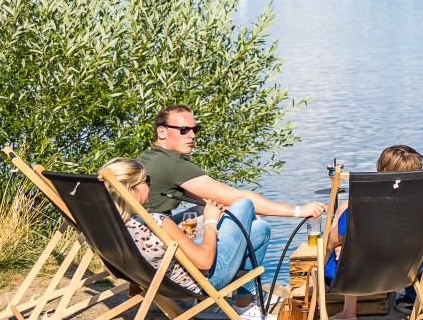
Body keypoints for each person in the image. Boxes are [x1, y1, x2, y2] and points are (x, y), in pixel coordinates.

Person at [134, 106, 323, 288]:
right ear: (162, 132)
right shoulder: (172, 163)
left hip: (146, 254)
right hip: (170, 267)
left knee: (229, 213)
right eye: (184, 130)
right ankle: (245, 300)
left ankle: (244, 299)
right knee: (249, 212)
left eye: (195, 129)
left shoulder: (149, 158)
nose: (192, 135)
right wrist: (298, 211)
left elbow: (211, 200)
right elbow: (234, 197)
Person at [101, 158, 267, 320]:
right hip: (201, 283)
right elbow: (205, 261)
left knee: (259, 229)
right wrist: (210, 221)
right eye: (147, 180)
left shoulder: (107, 226)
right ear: (131, 189)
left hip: (160, 282)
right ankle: (242, 304)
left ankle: (237, 301)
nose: (150, 186)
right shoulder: (157, 222)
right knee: (244, 204)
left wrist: (180, 238)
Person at [329, 143, 423, 320]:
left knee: (341, 250)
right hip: (408, 273)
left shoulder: (362, 207)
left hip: (360, 277)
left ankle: (348, 314)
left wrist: (338, 245)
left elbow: (331, 242)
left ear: (380, 171)